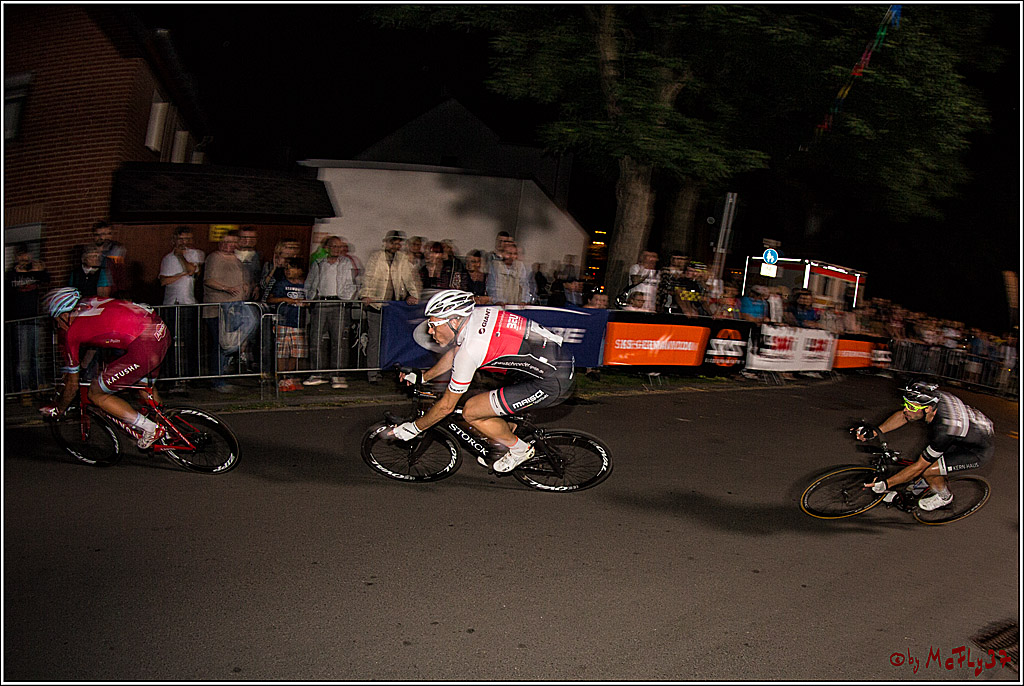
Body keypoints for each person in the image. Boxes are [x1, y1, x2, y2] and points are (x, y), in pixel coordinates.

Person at [388, 289, 575, 473]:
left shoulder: (470, 350)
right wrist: (424, 377)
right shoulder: (479, 314)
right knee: (486, 400)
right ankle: (503, 439)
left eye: (434, 324)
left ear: (454, 321)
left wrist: (414, 428)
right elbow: (455, 352)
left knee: (472, 411)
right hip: (553, 360)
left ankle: (520, 450)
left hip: (551, 380)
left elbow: (446, 406)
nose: (430, 330)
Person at [39, 287, 169, 449]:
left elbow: (72, 386)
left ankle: (151, 429)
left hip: (143, 345)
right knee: (143, 387)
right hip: (160, 331)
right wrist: (84, 366)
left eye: (57, 320)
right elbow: (97, 338)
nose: (57, 325)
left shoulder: (72, 332)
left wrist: (59, 408)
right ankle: (167, 428)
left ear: (64, 315)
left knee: (96, 393)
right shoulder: (90, 302)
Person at [855, 381, 994, 511]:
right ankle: (911, 492)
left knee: (927, 469)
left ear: (928, 409)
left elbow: (920, 466)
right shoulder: (932, 400)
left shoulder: (944, 431)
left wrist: (886, 484)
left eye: (911, 407)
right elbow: (903, 416)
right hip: (963, 433)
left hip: (976, 450)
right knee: (924, 460)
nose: (906, 409)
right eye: (906, 404)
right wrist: (875, 431)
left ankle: (944, 497)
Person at [359, 230, 421, 383]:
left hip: (394, 308)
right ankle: (372, 373)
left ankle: (387, 370)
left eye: (398, 242)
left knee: (391, 341)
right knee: (375, 340)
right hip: (377, 304)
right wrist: (365, 294)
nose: (396, 245)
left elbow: (408, 278)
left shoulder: (402, 259)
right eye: (393, 242)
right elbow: (369, 277)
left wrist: (414, 295)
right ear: (386, 242)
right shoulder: (376, 257)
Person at [304, 235, 360, 389]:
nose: (336, 249)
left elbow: (353, 283)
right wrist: (310, 297)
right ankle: (317, 372)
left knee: (339, 340)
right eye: (333, 246)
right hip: (321, 302)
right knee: (316, 339)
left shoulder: (346, 263)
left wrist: (347, 298)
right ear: (327, 248)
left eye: (339, 247)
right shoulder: (319, 263)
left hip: (338, 303)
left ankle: (337, 374)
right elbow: (310, 281)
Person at [202, 230, 247, 392]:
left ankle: (223, 376)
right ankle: (217, 379)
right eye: (227, 242)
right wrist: (226, 289)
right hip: (217, 309)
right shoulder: (215, 258)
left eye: (233, 242)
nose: (230, 245)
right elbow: (208, 280)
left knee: (230, 344)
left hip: (234, 308)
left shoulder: (237, 259)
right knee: (221, 344)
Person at [159, 226, 205, 379]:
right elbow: (164, 281)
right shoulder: (167, 258)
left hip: (189, 303)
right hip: (171, 304)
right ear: (174, 240)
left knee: (191, 341)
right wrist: (183, 273)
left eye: (187, 239)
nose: (184, 242)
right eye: (181, 239)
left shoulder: (196, 254)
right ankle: (171, 375)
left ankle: (192, 376)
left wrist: (180, 257)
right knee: (170, 341)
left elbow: (193, 270)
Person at [5, 243, 50, 395]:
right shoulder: (10, 274)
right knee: (22, 358)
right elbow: (7, 292)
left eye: (26, 255)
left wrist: (37, 270)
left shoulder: (35, 272)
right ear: (16, 257)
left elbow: (46, 279)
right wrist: (18, 273)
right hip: (19, 321)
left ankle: (40, 385)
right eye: (21, 255)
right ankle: (24, 389)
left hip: (35, 319)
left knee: (36, 356)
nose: (24, 258)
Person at [267, 258, 309, 393]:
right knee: (282, 351)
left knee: (296, 352)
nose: (288, 271)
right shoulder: (281, 284)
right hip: (284, 322)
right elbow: (270, 299)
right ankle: (281, 377)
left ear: (300, 270)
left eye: (291, 268)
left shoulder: (305, 285)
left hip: (299, 323)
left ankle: (290, 376)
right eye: (286, 269)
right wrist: (285, 300)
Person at [486, 241, 536, 306]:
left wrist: (524, 301)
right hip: (499, 306)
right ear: (502, 254)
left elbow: (524, 286)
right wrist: (498, 301)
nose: (512, 256)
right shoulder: (495, 266)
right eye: (509, 253)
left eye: (514, 253)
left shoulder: (520, 266)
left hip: (516, 307)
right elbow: (492, 287)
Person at [92, 221, 130, 299]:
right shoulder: (89, 251)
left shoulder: (117, 249)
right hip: (93, 291)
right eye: (98, 235)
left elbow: (121, 273)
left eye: (106, 234)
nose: (102, 238)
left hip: (114, 291)